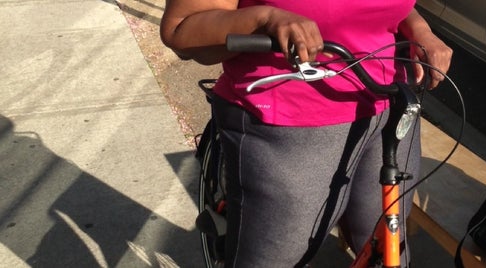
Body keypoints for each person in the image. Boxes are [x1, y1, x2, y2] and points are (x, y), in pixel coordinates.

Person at [160, 1, 452, 267]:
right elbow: (181, 30)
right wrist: (266, 18)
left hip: (388, 104)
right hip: (290, 121)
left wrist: (420, 29)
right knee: (278, 257)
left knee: (385, 244)